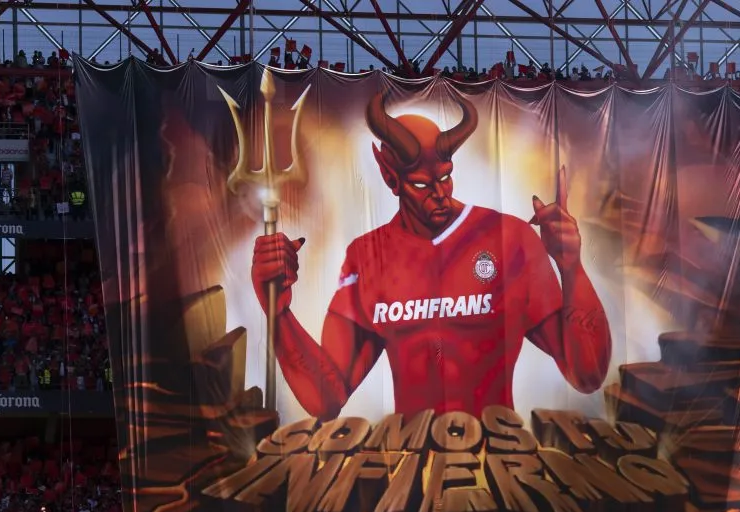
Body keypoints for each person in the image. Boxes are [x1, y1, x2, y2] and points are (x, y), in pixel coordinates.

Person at [250, 92, 611, 420]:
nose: (438, 193)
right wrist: (279, 314)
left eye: (445, 177)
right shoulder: (368, 256)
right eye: (422, 184)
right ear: (391, 178)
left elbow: (587, 374)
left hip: (499, 464)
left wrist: (571, 266)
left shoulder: (509, 239)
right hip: (411, 470)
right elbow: (326, 399)